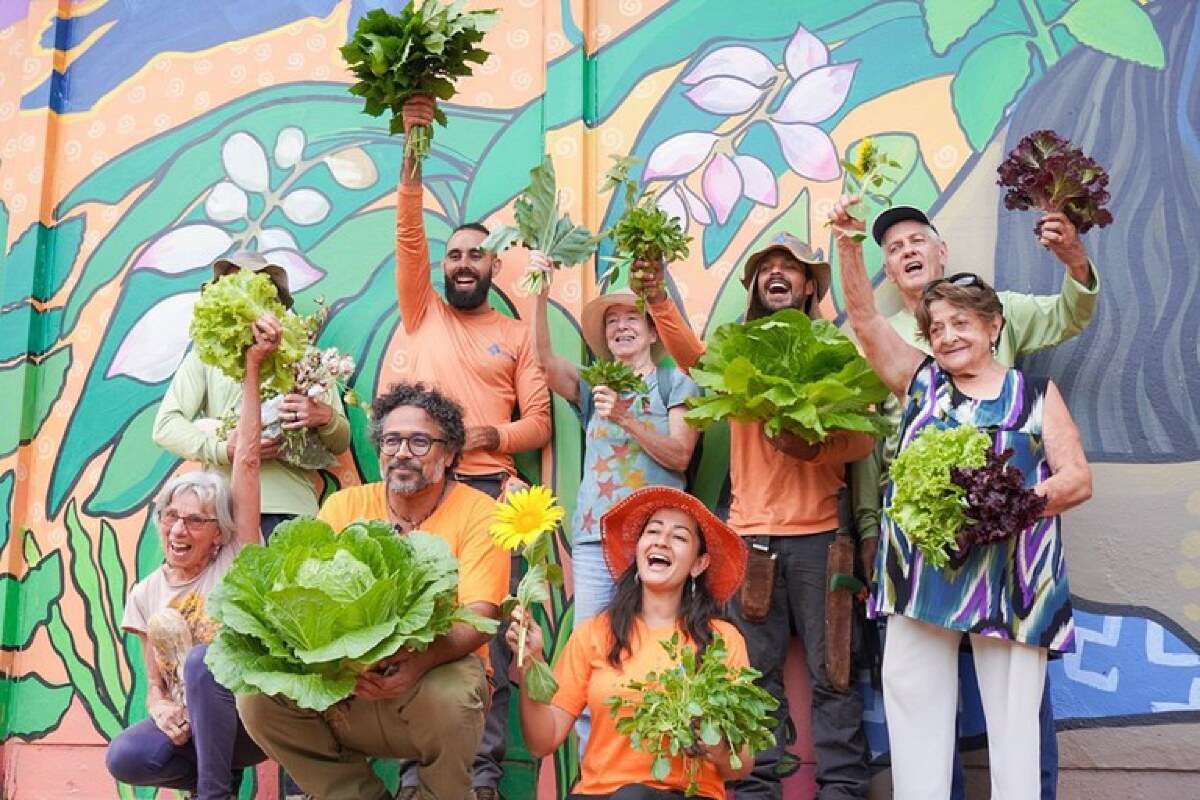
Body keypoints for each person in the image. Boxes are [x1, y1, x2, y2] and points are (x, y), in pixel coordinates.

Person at [830, 196, 1092, 799]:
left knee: (1014, 726)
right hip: (924, 574)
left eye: (961, 325)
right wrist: (846, 245)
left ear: (993, 327)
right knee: (913, 710)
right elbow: (868, 323)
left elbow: (1076, 478)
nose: (947, 337)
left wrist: (1011, 505)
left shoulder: (1033, 394)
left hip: (1010, 577)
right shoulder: (920, 381)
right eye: (937, 328)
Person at [632, 234, 875, 800]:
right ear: (755, 286)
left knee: (835, 676)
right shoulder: (731, 349)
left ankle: (842, 792)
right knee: (749, 680)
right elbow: (693, 358)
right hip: (751, 543)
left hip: (822, 543)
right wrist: (657, 298)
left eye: (790, 268)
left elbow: (863, 442)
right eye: (767, 268)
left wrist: (815, 448)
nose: (778, 274)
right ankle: (754, 792)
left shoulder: (836, 350)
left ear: (810, 285)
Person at [236, 381, 510, 800]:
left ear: (451, 453)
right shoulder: (344, 507)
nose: (402, 452)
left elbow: (481, 613)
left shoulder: (480, 511)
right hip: (346, 689)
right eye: (391, 440)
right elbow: (302, 593)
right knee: (256, 699)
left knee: (453, 693)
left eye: (420, 442)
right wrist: (343, 665)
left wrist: (419, 662)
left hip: (430, 689)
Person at [395, 95, 553, 800]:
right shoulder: (419, 310)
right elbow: (407, 235)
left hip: (490, 497)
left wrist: (496, 435)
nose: (462, 262)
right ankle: (412, 774)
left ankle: (479, 780)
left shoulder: (515, 335)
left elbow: (541, 424)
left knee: (481, 642)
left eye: (475, 254)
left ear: (493, 266)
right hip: (420, 494)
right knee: (406, 630)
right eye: (453, 254)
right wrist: (413, 148)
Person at [107, 315, 280, 799]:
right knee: (127, 756)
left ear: (220, 534)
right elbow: (156, 684)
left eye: (195, 521)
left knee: (205, 662)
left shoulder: (235, 561)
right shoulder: (146, 593)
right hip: (194, 728)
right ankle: (214, 774)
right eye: (171, 517)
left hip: (253, 719)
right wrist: (161, 708)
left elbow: (245, 460)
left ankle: (212, 794)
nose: (179, 529)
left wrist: (252, 369)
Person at [510, 485, 752, 800]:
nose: (662, 541)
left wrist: (714, 745)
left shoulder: (723, 640)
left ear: (698, 564)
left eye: (679, 537)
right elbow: (544, 740)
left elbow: (742, 765)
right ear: (639, 549)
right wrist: (532, 664)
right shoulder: (595, 633)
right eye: (653, 531)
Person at [529, 253, 700, 623]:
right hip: (596, 537)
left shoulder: (676, 385)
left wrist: (625, 417)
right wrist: (539, 295)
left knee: (650, 640)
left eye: (631, 318)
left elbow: (680, 455)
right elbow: (544, 364)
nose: (620, 327)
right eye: (612, 321)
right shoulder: (593, 386)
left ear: (653, 332)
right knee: (589, 643)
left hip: (657, 541)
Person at [153, 251, 350, 536]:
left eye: (251, 287)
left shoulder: (304, 355)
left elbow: (341, 441)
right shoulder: (207, 356)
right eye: (231, 288)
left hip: (291, 511)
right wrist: (225, 450)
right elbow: (166, 425)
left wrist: (324, 417)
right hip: (223, 508)